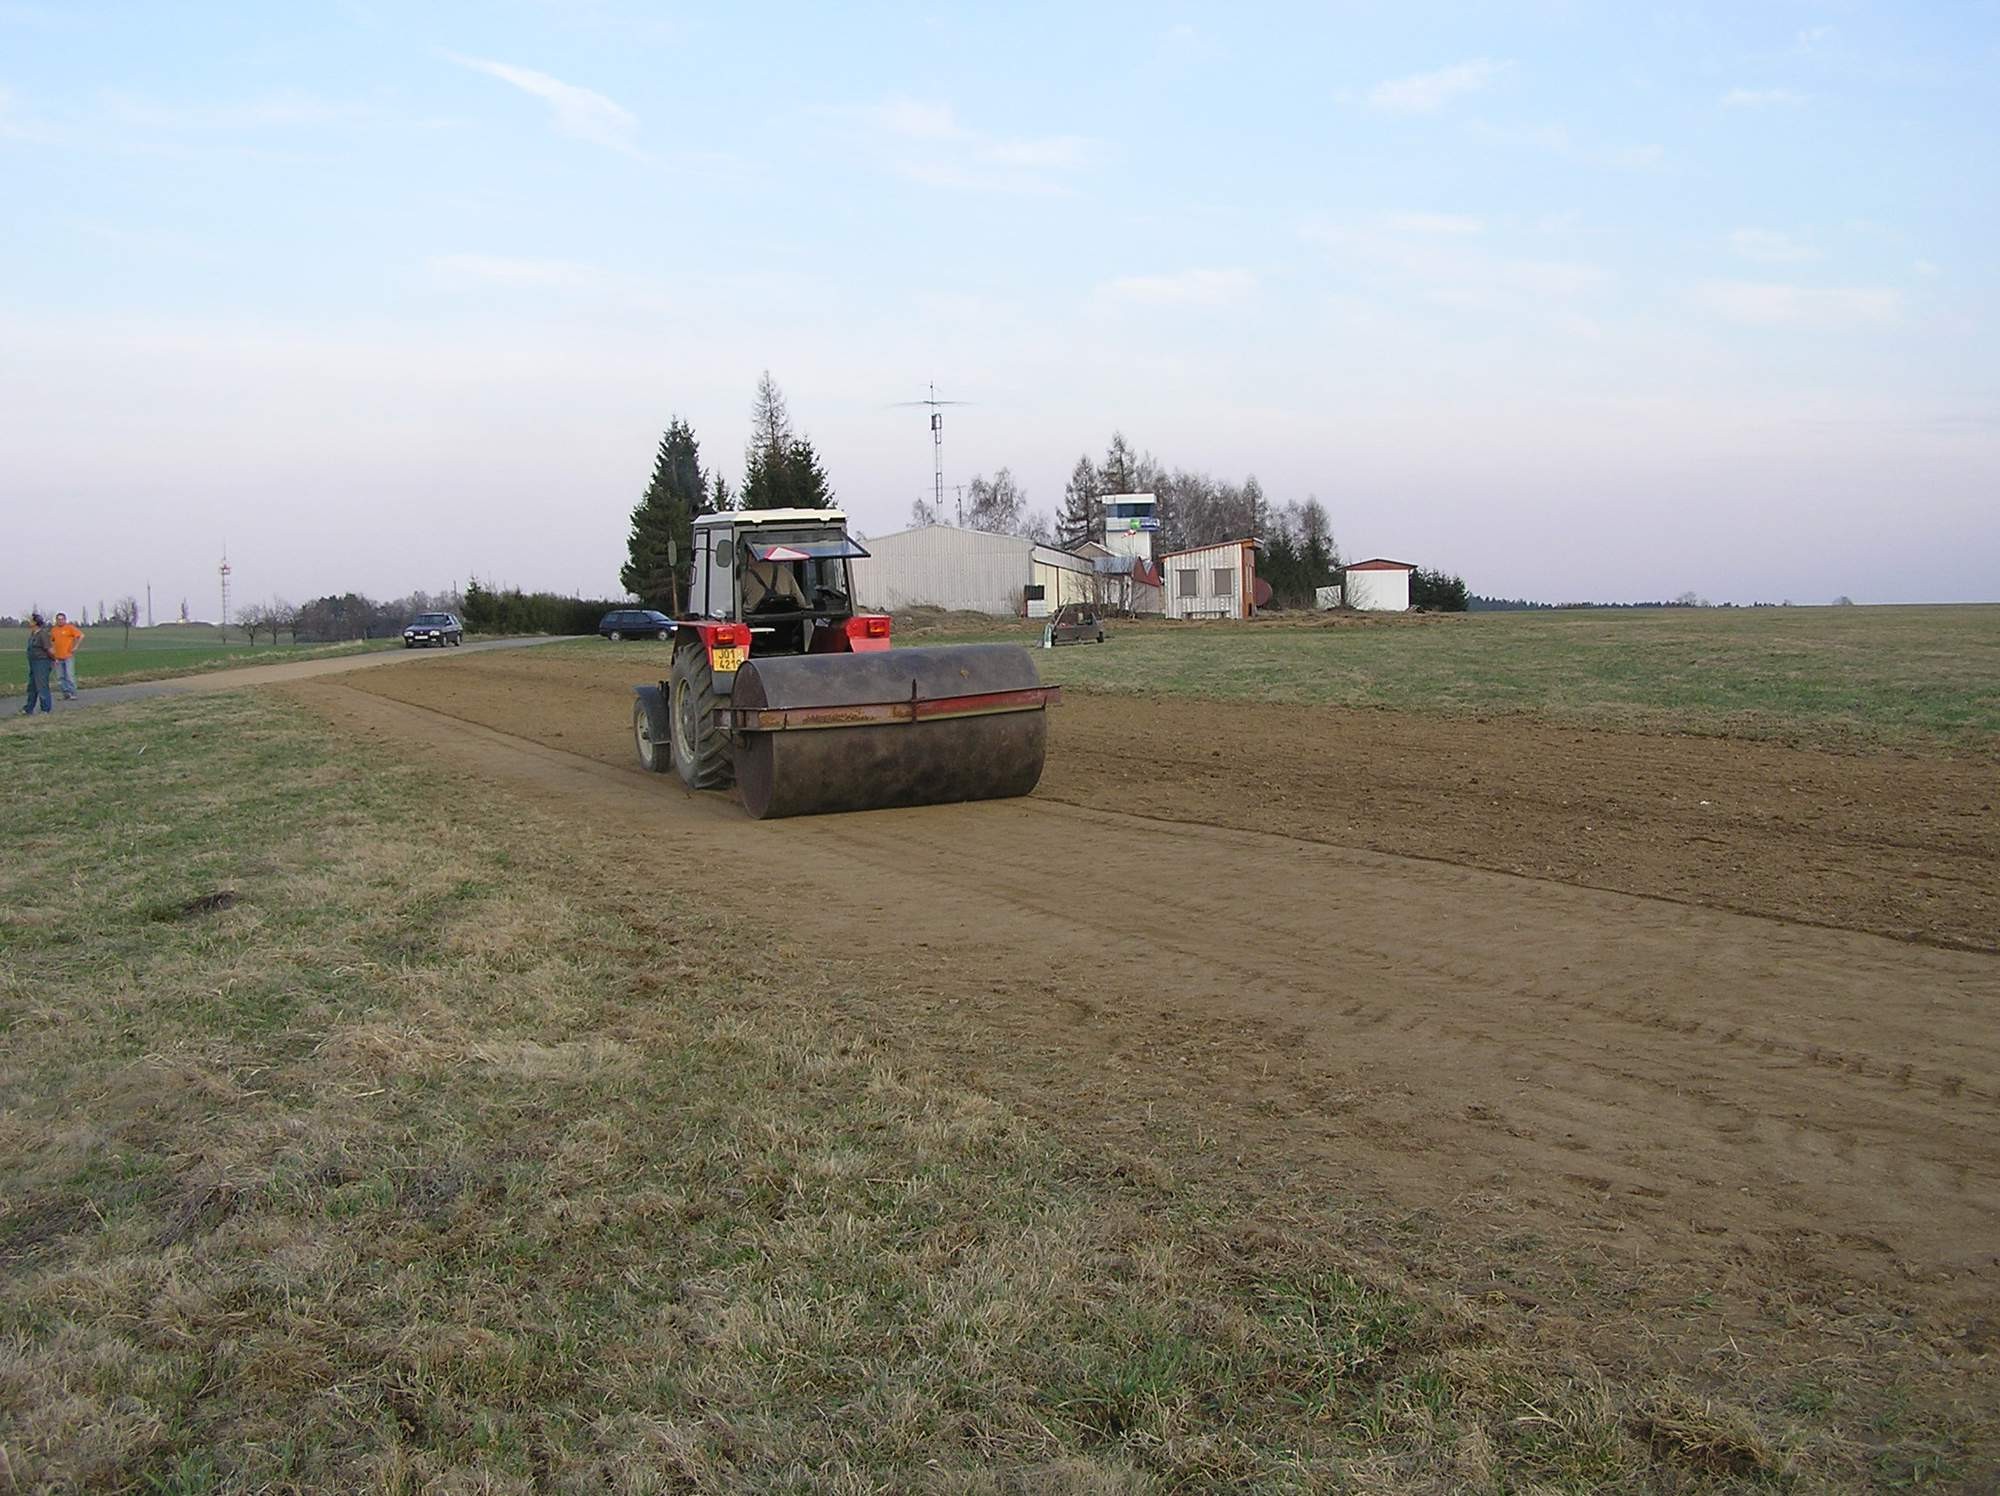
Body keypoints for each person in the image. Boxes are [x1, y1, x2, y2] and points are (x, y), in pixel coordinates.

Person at [21, 613, 54, 716]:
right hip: (33, 662)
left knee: (42, 685)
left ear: (36, 622)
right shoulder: (33, 634)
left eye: (31, 620)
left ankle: (45, 709)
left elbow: (49, 649)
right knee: (32, 686)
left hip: (42, 662)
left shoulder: (42, 634)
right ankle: (28, 708)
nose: (29, 622)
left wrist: (54, 659)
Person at [49, 611, 82, 699]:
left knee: (69, 675)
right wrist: (52, 651)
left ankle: (73, 693)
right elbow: (51, 641)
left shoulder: (69, 628)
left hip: (68, 656)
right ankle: (65, 693)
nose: (60, 621)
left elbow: (81, 636)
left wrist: (75, 647)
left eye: (62, 619)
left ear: (65, 620)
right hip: (57, 657)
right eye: (58, 619)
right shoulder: (54, 630)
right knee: (60, 677)